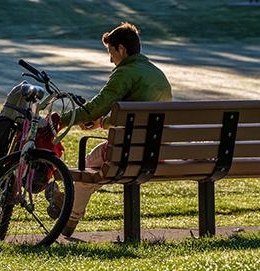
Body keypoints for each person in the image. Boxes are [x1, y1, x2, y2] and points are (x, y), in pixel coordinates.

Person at [46, 22, 172, 237]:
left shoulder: (125, 73)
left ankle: (68, 208)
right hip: (158, 152)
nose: (110, 59)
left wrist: (63, 121)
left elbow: (97, 106)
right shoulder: (156, 74)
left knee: (91, 166)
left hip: (129, 153)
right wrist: (101, 123)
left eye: (111, 52)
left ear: (121, 49)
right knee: (97, 167)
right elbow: (133, 113)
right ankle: (67, 208)